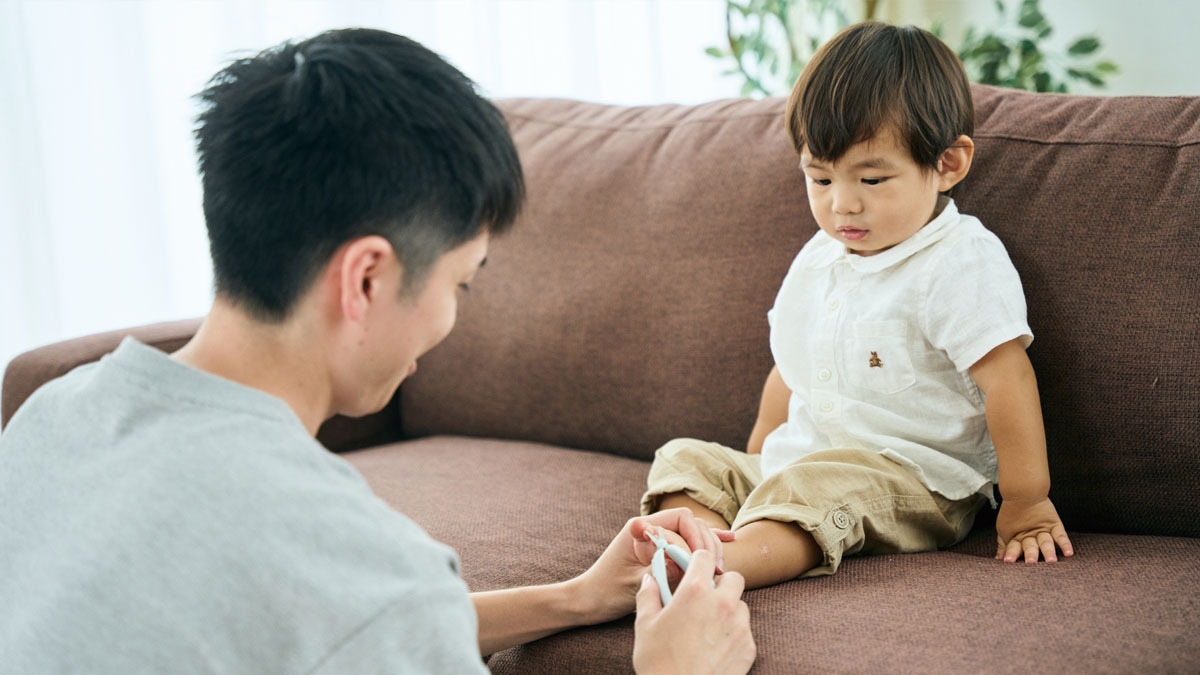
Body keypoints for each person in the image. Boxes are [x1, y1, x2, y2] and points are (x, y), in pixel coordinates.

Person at [0, 28, 754, 674]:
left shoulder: (49, 420)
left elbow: (313, 623)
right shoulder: (366, 566)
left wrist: (572, 598)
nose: (451, 319)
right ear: (366, 278)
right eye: (461, 282)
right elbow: (364, 609)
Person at [641, 21, 1075, 590]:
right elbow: (790, 368)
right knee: (687, 459)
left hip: (915, 481)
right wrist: (757, 465)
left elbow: (1008, 381)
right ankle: (693, 547)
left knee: (815, 487)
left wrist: (1027, 501)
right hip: (804, 466)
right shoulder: (821, 257)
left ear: (948, 164)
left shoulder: (958, 260)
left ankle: (715, 567)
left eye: (871, 178)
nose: (842, 205)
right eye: (819, 179)